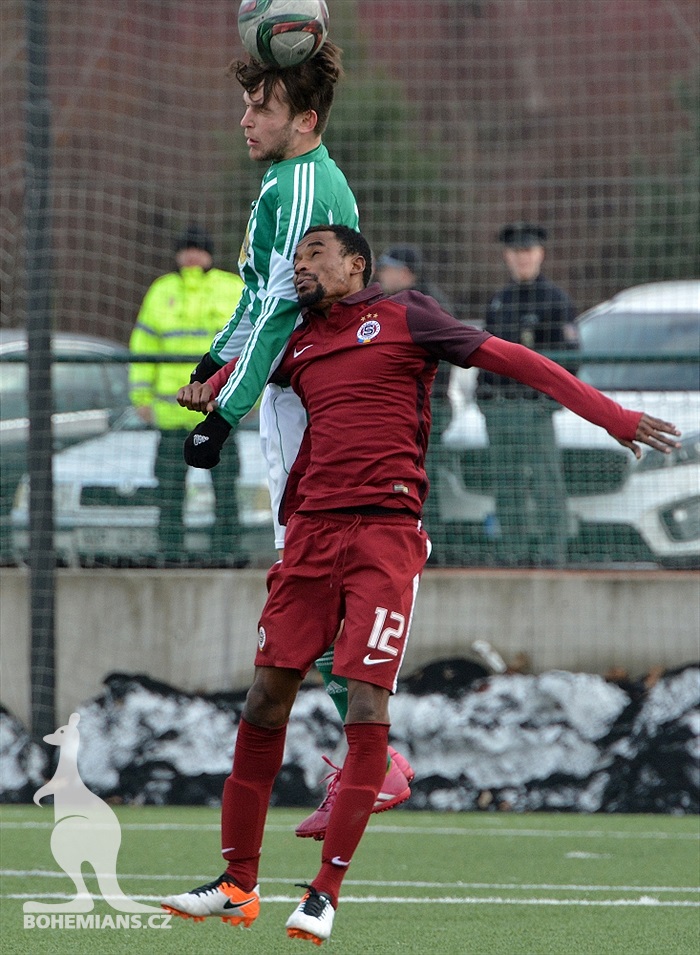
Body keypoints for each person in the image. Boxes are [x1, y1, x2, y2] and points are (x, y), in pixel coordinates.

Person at [162, 224, 680, 944]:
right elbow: (247, 366)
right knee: (264, 699)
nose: (301, 266)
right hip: (310, 537)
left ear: (357, 265)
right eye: (297, 257)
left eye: (316, 254)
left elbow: (517, 359)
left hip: (383, 537)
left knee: (365, 701)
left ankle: (324, 893)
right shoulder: (297, 340)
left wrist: (611, 414)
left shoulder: (409, 316)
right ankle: (237, 883)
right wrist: (209, 389)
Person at [175, 49, 413, 828]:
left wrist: (225, 412)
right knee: (307, 580)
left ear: (305, 121)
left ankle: (377, 759)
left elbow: (282, 312)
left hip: (304, 398)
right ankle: (372, 758)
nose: (245, 120)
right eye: (247, 105)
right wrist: (214, 363)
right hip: (287, 392)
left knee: (312, 578)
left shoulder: (305, 181)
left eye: (262, 108)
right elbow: (256, 300)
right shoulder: (283, 181)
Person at [128, 225, 246, 566]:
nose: (192, 256)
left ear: (209, 254)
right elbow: (144, 345)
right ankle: (170, 552)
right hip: (171, 413)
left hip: (219, 410)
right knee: (168, 489)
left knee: (225, 487)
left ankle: (226, 551)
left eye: (198, 249)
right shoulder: (162, 290)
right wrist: (141, 398)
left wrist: (246, 399)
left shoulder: (231, 288)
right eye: (187, 249)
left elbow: (248, 346)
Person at [475, 222, 580, 566]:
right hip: (500, 410)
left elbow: (571, 359)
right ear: (507, 256)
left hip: (534, 409)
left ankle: (552, 553)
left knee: (546, 482)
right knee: (507, 485)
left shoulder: (555, 301)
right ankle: (513, 553)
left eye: (528, 251)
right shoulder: (499, 300)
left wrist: (549, 402)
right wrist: (484, 398)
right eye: (516, 252)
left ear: (540, 254)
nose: (522, 258)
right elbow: (484, 353)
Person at [376, 244, 454, 564]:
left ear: (406, 273)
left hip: (427, 408)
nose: (382, 275)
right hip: (404, 410)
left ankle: (429, 546)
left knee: (422, 477)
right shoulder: (390, 303)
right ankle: (405, 544)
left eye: (388, 269)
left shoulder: (427, 305)